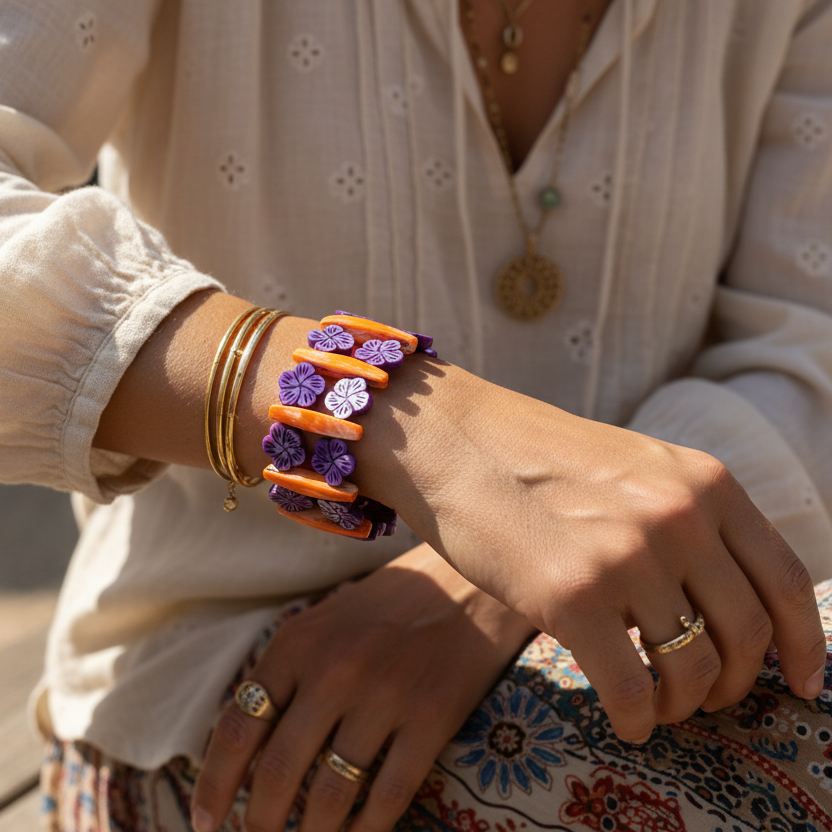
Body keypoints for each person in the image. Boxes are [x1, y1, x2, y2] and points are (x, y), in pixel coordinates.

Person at [2, 0, 831, 829]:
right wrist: (397, 418)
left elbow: (806, 344)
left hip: (646, 622)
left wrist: (514, 570)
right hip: (235, 677)